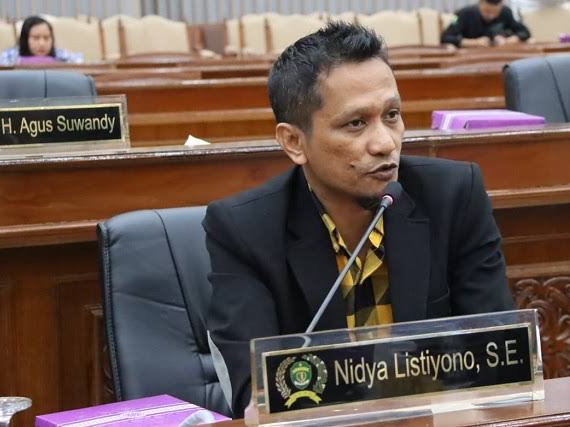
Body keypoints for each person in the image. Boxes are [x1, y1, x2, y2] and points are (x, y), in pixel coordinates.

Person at [203, 22, 515, 417]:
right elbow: (259, 393)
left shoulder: (454, 196)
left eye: (392, 115)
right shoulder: (244, 231)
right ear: (294, 142)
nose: (385, 143)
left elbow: (500, 353)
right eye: (356, 123)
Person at [0, 16, 83, 66]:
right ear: (25, 39)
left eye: (46, 38)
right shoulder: (10, 56)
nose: (42, 43)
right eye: (36, 38)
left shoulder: (61, 55)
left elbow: (81, 65)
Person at [441, 0, 531, 47]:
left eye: (495, 12)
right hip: (470, 57)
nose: (491, 16)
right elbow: (445, 37)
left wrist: (507, 41)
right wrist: (473, 42)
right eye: (487, 11)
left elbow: (525, 32)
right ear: (480, 2)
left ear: (501, 6)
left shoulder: (506, 11)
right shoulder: (462, 13)